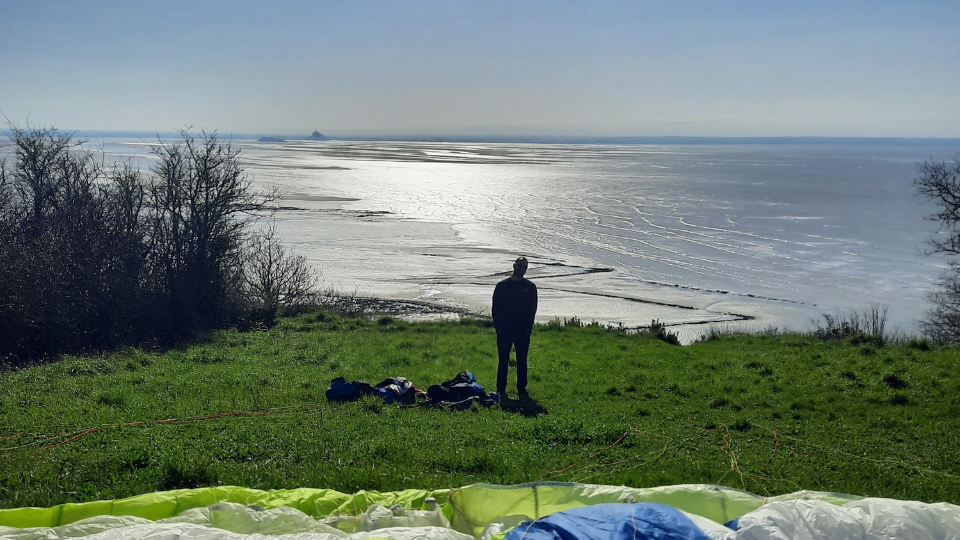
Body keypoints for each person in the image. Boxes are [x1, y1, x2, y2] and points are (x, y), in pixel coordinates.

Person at [492, 256, 538, 398]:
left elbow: (532, 310)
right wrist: (498, 328)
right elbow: (496, 309)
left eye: (524, 267)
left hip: (522, 332)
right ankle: (501, 390)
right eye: (519, 265)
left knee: (522, 361)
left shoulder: (530, 287)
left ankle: (522, 389)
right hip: (504, 330)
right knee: (503, 360)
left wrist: (527, 329)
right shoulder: (502, 286)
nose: (521, 269)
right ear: (514, 266)